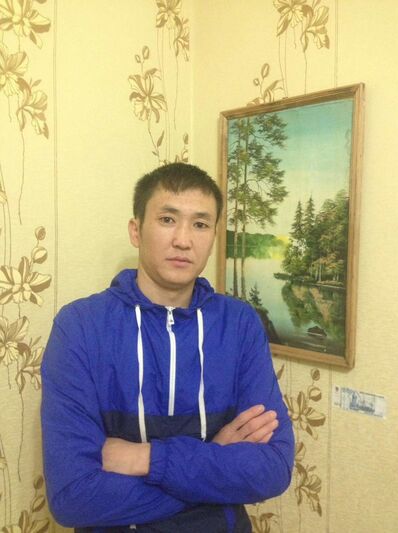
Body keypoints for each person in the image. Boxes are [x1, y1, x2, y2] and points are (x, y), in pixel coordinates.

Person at [41, 162, 294, 533]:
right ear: (136, 230)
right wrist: (216, 461)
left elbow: (272, 469)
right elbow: (74, 497)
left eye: (200, 224)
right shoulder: (80, 327)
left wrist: (146, 458)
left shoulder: (239, 324)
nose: (183, 240)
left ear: (213, 236)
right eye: (167, 220)